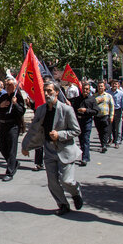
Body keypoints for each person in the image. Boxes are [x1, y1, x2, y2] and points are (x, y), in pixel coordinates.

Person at [21, 81, 83, 216]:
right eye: (45, 91)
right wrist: (25, 146)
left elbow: (76, 130)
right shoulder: (41, 109)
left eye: (49, 91)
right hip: (49, 150)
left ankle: (75, 192)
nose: (47, 93)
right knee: (52, 182)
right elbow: (34, 129)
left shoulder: (66, 109)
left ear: (56, 92)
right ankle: (63, 204)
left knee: (67, 180)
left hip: (65, 149)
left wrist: (59, 135)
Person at [0, 77, 26, 181]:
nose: (7, 87)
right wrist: (0, 106)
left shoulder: (18, 98)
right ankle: (13, 163)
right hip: (2, 125)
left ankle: (10, 172)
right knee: (2, 148)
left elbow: (21, 111)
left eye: (10, 85)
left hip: (12, 126)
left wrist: (15, 104)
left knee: (12, 149)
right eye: (6, 85)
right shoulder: (3, 96)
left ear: (15, 86)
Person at [70, 82, 98, 166]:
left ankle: (84, 158)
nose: (85, 91)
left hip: (87, 121)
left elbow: (96, 111)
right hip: (79, 122)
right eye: (84, 89)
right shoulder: (78, 99)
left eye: (87, 89)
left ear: (89, 90)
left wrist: (86, 110)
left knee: (85, 139)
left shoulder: (92, 99)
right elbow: (73, 109)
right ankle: (86, 155)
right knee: (81, 140)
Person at [93, 81, 114, 153]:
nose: (100, 87)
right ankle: (102, 143)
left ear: (104, 87)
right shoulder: (94, 96)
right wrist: (97, 101)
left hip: (105, 116)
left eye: (101, 86)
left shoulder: (108, 96)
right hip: (97, 116)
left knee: (105, 130)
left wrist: (111, 116)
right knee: (100, 131)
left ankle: (104, 145)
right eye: (99, 86)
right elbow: (91, 105)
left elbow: (111, 106)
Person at [107, 80, 123, 149]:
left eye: (115, 84)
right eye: (113, 84)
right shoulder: (108, 93)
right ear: (111, 85)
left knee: (118, 128)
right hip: (110, 111)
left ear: (118, 85)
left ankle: (117, 142)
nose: (114, 85)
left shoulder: (121, 93)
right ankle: (110, 140)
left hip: (118, 111)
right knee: (110, 127)